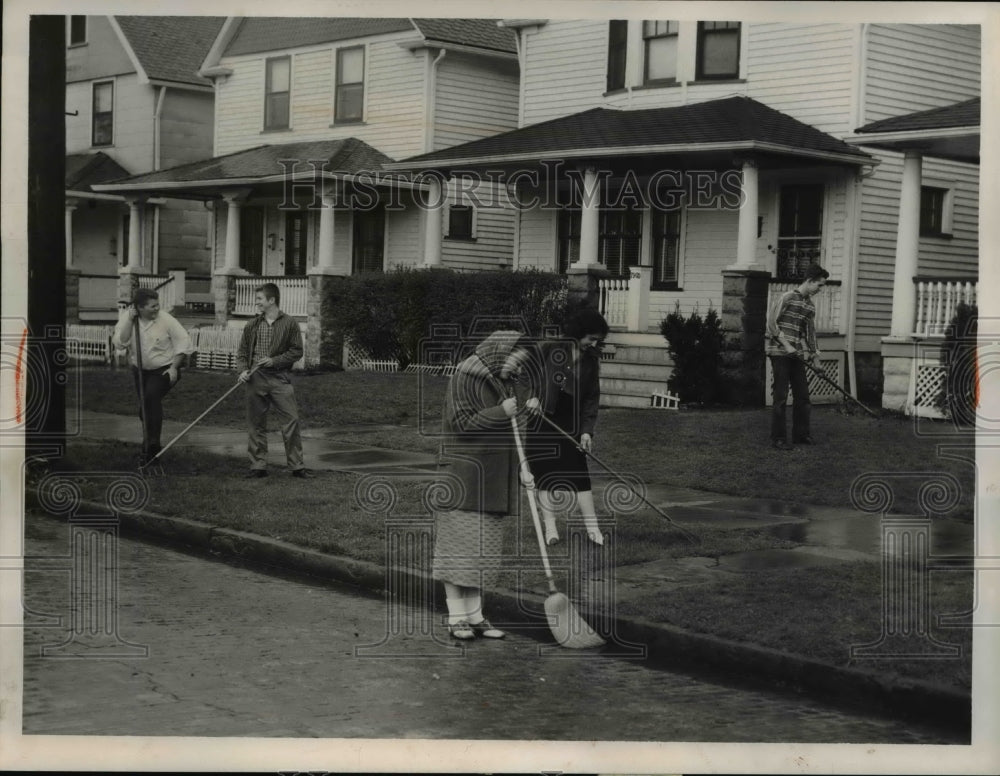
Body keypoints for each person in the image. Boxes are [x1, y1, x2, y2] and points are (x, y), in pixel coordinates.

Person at [432, 330, 538, 641]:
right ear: (500, 352)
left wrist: (523, 466)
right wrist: (501, 412)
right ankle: (456, 618)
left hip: (491, 480)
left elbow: (514, 432)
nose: (519, 371)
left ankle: (476, 617)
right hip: (464, 479)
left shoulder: (503, 381)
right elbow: (462, 424)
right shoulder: (464, 376)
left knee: (481, 553)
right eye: (517, 363)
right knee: (457, 553)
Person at [523, 307, 609, 547]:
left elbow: (592, 398)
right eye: (591, 339)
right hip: (541, 418)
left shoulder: (591, 361)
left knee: (579, 474)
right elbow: (524, 374)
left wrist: (586, 431)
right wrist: (533, 397)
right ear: (578, 333)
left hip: (570, 421)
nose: (593, 344)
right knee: (544, 474)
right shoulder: (549, 348)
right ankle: (550, 529)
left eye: (597, 341)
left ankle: (593, 530)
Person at [236, 283, 312, 479]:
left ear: (272, 300)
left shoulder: (290, 323)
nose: (257, 302)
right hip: (255, 378)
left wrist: (274, 361)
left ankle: (297, 467)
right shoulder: (252, 325)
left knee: (291, 420)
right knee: (256, 423)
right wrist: (243, 370)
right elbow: (243, 353)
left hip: (280, 378)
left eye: (260, 299)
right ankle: (258, 467)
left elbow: (297, 351)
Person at [112, 288, 192, 464]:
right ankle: (149, 446)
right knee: (146, 407)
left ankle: (152, 448)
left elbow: (183, 343)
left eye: (157, 305)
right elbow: (120, 343)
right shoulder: (128, 319)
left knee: (150, 399)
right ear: (139, 307)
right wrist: (129, 320)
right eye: (152, 306)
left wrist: (173, 368)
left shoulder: (166, 320)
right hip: (140, 370)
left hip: (165, 369)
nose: (157, 309)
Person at [766, 263, 830, 450]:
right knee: (781, 397)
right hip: (779, 353)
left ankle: (801, 435)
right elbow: (771, 324)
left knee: (803, 397)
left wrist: (816, 361)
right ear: (809, 281)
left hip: (797, 355)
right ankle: (778, 439)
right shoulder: (787, 297)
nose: (821, 289)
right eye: (819, 285)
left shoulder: (809, 306)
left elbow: (810, 335)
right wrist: (787, 345)